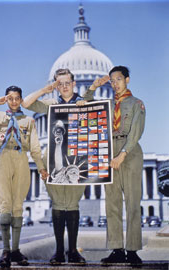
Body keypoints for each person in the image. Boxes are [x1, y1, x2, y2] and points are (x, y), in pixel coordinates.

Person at [22, 68, 107, 265]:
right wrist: (46, 89)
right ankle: (59, 251)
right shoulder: (52, 103)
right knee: (59, 205)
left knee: (73, 204)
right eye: (60, 84)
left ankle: (72, 251)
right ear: (56, 85)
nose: (64, 87)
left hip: (77, 160)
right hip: (53, 159)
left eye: (67, 82)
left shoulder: (84, 102)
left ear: (74, 83)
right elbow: (26, 103)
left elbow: (102, 122)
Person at [0, 86, 48, 268]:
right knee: (5, 205)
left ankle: (15, 250)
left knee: (18, 206)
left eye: (17, 98)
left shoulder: (28, 121)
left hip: (21, 159)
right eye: (10, 98)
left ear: (21, 100)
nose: (14, 101)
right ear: (7, 99)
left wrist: (41, 168)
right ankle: (6, 250)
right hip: (4, 158)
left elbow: (35, 147)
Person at [84, 66, 146, 264]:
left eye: (118, 79)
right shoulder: (106, 105)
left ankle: (133, 250)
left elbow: (136, 131)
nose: (115, 83)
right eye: (112, 81)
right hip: (109, 151)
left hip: (130, 151)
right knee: (112, 204)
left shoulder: (137, 103)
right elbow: (84, 104)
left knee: (133, 203)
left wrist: (122, 154)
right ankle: (117, 249)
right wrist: (94, 86)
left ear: (127, 80)